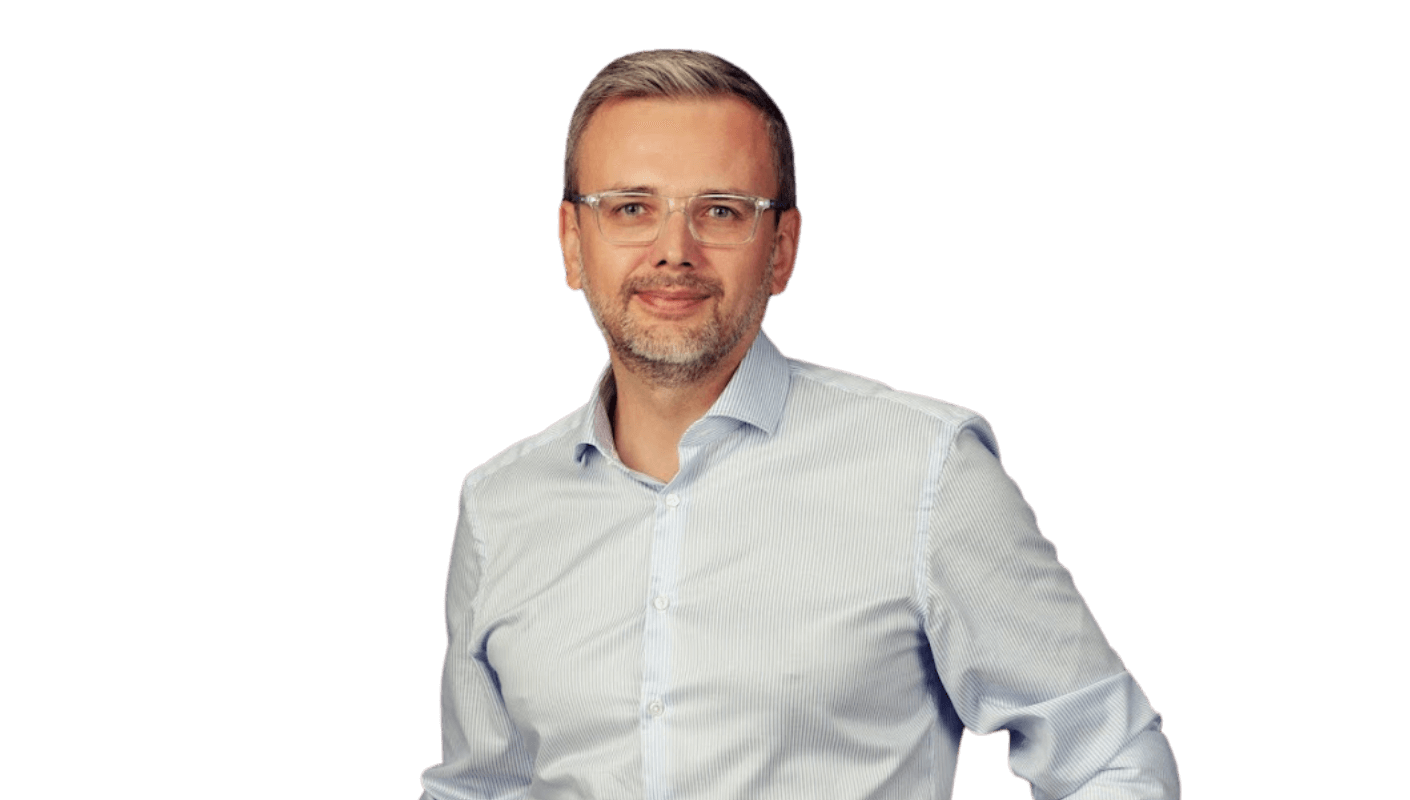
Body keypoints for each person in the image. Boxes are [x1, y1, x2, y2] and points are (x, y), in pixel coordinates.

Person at [418, 49, 1179, 799]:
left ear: (782, 250)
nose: (674, 252)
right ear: (570, 243)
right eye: (630, 209)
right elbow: (479, 791)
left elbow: (1110, 759)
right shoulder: (498, 506)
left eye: (721, 211)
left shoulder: (926, 469)